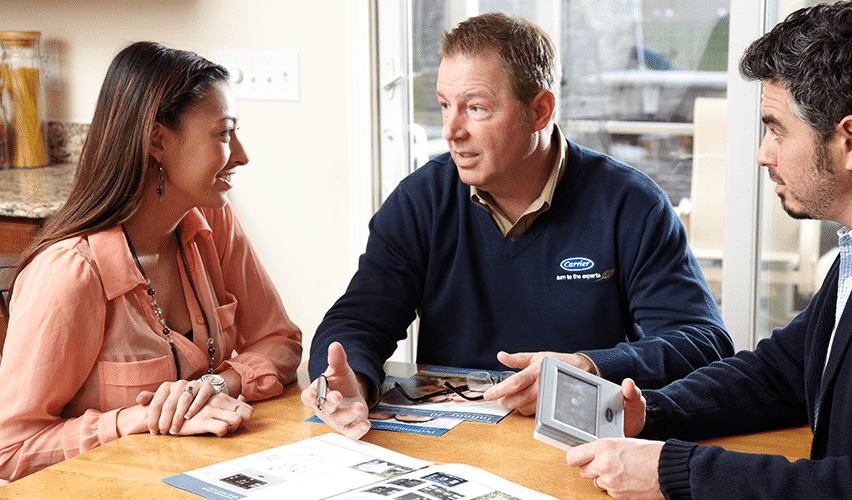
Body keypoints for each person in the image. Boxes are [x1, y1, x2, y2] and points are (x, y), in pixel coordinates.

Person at [565, 1, 852, 498]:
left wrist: (675, 472)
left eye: (775, 129)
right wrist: (654, 412)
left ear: (850, 140)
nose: (762, 153)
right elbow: (779, 373)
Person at [302, 12, 732, 439]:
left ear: (540, 110)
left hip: (584, 446)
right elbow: (358, 319)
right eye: (445, 105)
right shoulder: (420, 199)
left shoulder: (631, 203)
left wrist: (587, 367)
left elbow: (704, 343)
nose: (451, 130)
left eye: (476, 108)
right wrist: (351, 381)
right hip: (455, 444)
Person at [0, 42, 302, 484]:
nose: (241, 154)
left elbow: (280, 342)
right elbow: (11, 448)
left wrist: (212, 386)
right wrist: (133, 420)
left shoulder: (214, 223)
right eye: (223, 133)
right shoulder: (70, 274)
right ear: (158, 141)